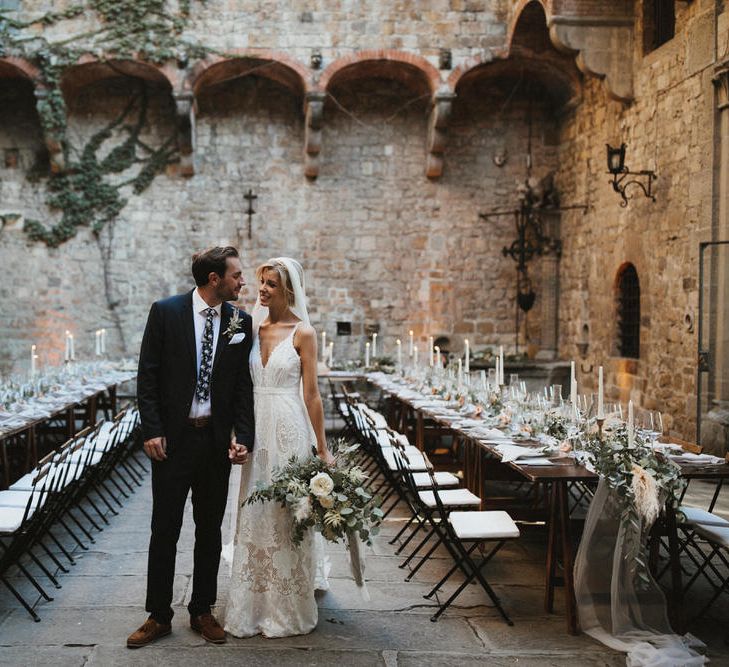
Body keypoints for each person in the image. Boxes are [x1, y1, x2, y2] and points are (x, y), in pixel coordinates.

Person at [127, 246, 254, 648]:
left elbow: (241, 388)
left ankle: (202, 609)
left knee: (209, 529)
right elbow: (147, 377)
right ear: (214, 278)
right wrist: (151, 430)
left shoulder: (239, 321)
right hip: (172, 441)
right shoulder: (165, 312)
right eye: (236, 275)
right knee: (164, 528)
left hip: (214, 442)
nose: (242, 281)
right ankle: (158, 615)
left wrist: (243, 436)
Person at [224, 257, 334, 638]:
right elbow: (238, 386)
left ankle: (288, 599)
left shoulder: (304, 332)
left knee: (288, 511)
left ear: (289, 289)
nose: (263, 289)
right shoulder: (251, 327)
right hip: (257, 425)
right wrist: (237, 433)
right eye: (262, 282)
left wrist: (322, 448)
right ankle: (254, 598)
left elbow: (313, 394)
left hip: (289, 427)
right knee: (254, 509)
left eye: (271, 283)